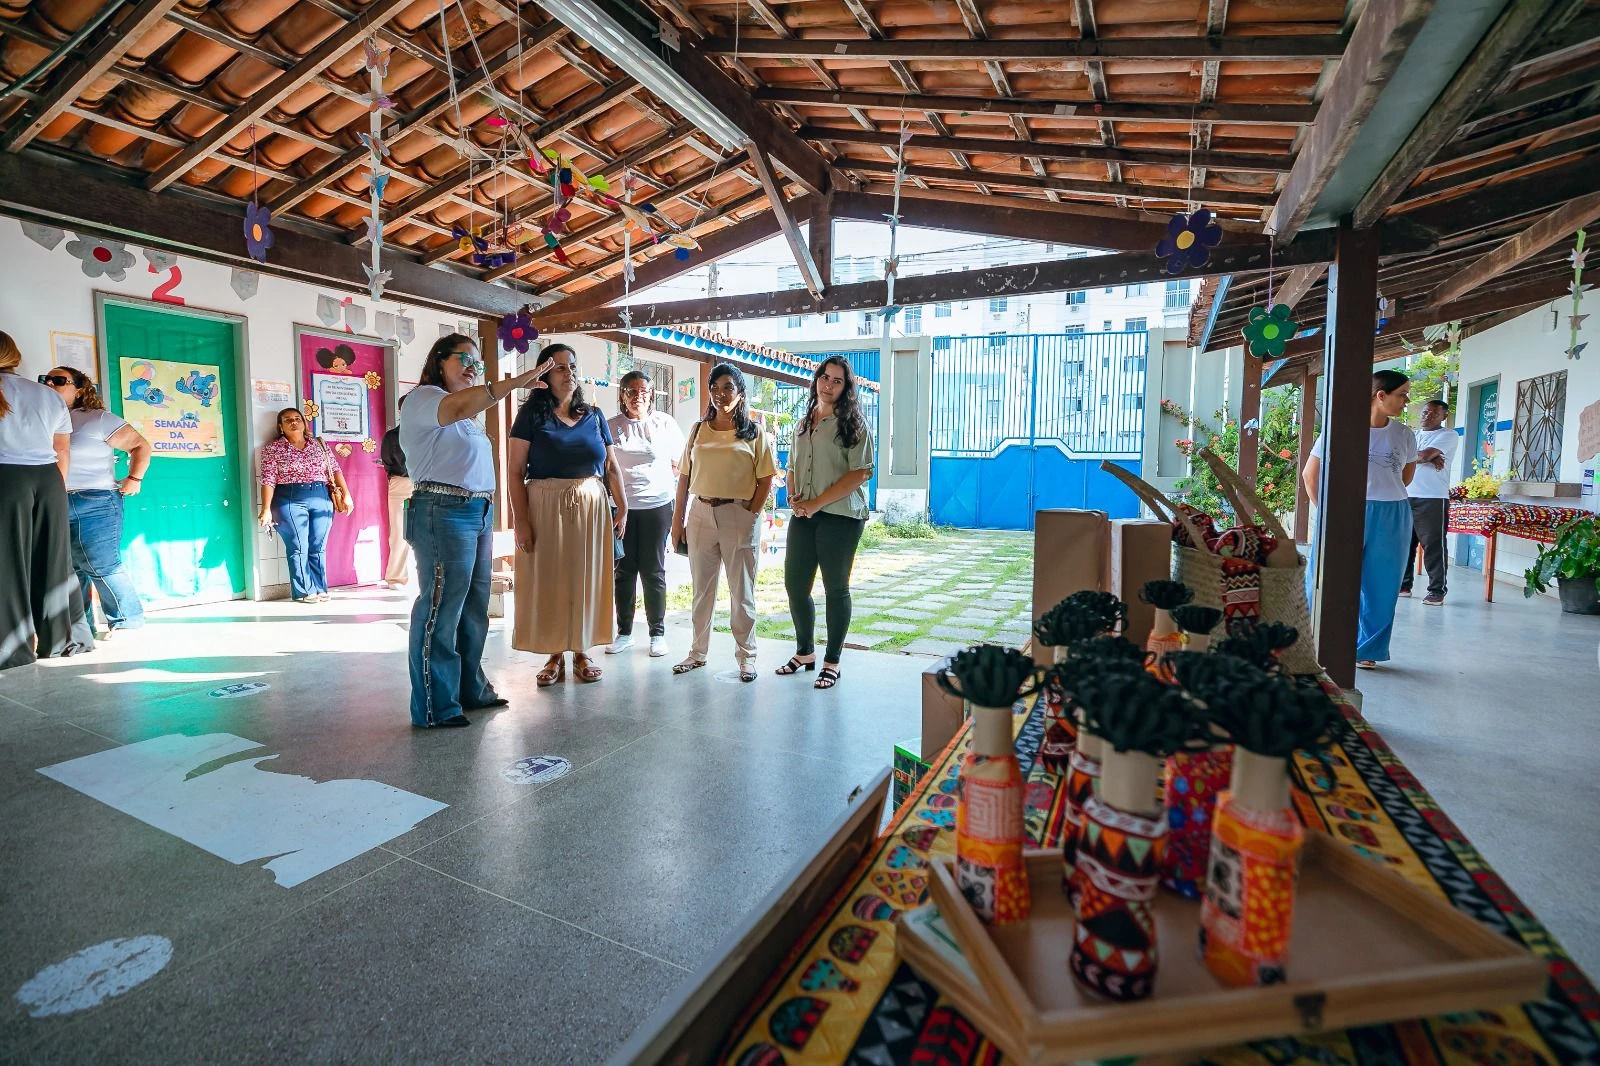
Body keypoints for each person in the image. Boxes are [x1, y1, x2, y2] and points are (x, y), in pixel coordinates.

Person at [400, 332, 552, 728]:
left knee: (473, 610)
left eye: (478, 362)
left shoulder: (466, 416)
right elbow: (464, 402)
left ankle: (470, 689)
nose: (472, 367)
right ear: (438, 361)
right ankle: (435, 704)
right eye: (463, 359)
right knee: (440, 608)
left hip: (476, 511)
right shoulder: (424, 400)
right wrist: (514, 382)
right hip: (441, 510)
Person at [508, 343, 627, 686]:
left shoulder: (594, 415)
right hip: (544, 503)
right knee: (551, 580)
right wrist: (522, 520)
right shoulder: (531, 416)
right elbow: (516, 470)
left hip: (591, 506)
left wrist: (623, 506)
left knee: (585, 578)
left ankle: (582, 650)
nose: (568, 372)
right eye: (559, 367)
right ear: (543, 375)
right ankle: (554, 653)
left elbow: (611, 466)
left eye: (571, 366)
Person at [1301, 369, 1416, 669]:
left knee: (1383, 582)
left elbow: (1405, 478)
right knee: (1327, 576)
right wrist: (1328, 513)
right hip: (1344, 511)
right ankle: (1315, 641)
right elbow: (1310, 477)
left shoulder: (1405, 435)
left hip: (1393, 514)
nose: (1407, 400)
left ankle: (1368, 649)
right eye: (1402, 394)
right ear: (1381, 396)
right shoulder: (1339, 429)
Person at [671, 362, 777, 682]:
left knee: (741, 590)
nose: (720, 394)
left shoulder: (754, 433)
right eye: (715, 388)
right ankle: (697, 652)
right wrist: (678, 522)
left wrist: (751, 513)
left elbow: (766, 479)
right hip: (700, 513)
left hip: (738, 515)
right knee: (702, 590)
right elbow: (684, 478)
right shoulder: (698, 430)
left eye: (728, 387)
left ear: (741, 392)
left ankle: (747, 657)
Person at [778, 356, 875, 690]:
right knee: (794, 585)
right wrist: (793, 497)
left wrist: (816, 504)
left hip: (841, 517)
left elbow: (861, 473)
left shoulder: (854, 425)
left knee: (835, 588)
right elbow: (791, 466)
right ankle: (805, 652)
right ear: (816, 379)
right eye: (825, 377)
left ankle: (832, 661)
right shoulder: (803, 423)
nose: (829, 385)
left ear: (846, 388)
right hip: (804, 515)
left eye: (837, 380)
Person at [0, 331, 94, 670]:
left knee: (8, 563)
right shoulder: (46, 394)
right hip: (48, 479)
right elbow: (62, 449)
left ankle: (12, 651)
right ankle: (60, 641)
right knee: (54, 560)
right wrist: (56, 489)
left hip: (6, 478)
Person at [45, 364, 151, 634]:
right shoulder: (44, 419)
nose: (49, 384)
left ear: (79, 389)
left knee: (102, 565)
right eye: (45, 379)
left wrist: (134, 478)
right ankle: (81, 630)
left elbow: (141, 446)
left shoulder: (96, 418)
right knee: (70, 570)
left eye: (59, 380)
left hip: (96, 502)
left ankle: (128, 622)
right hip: (56, 501)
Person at [606, 370, 684, 658]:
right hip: (622, 510)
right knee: (623, 572)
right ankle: (624, 632)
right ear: (622, 395)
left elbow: (680, 464)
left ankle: (656, 633)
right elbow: (607, 469)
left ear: (652, 395)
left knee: (653, 571)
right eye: (631, 391)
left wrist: (661, 484)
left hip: (657, 507)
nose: (638, 396)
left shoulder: (664, 424)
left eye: (643, 391)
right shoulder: (611, 426)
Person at [257, 407, 352, 604]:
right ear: (280, 427)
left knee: (318, 545)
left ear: (304, 422)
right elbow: (268, 479)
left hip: (321, 496)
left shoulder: (319, 445)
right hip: (289, 498)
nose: (293, 422)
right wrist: (266, 508)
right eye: (287, 420)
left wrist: (347, 496)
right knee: (299, 546)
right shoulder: (273, 449)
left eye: (297, 418)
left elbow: (335, 470)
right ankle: (303, 591)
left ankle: (319, 587)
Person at [1400, 398, 1459, 606]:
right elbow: (1401, 456)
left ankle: (1436, 590)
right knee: (1405, 543)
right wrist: (1428, 457)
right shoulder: (1413, 435)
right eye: (1425, 412)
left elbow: (1421, 455)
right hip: (1406, 494)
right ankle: (1404, 585)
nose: (1428, 416)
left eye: (1434, 413)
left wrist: (1424, 456)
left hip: (1432, 498)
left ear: (1444, 416)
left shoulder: (1448, 435)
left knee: (1433, 545)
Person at [380, 396, 412, 589]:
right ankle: (396, 577)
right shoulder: (392, 436)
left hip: (428, 482)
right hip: (401, 482)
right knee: (399, 531)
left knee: (433, 528)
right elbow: (388, 463)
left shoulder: (431, 431)